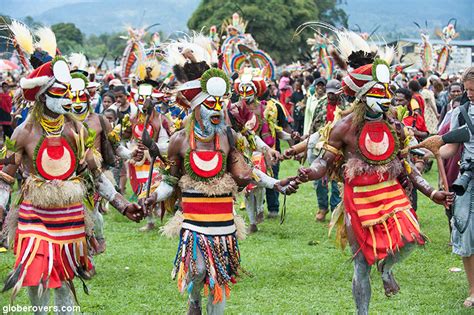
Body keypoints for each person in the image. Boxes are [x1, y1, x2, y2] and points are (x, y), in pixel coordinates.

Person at [291, 38, 453, 313]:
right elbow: (323, 161)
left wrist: (431, 192)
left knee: (411, 238)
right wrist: (309, 173)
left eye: (386, 93)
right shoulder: (344, 126)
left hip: (390, 192)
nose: (385, 99)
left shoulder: (395, 127)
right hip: (358, 197)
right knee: (361, 262)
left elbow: (408, 166)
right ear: (362, 96)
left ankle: (387, 268)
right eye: (378, 94)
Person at [144, 46, 297, 314]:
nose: (217, 109)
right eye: (209, 103)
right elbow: (170, 180)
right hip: (193, 219)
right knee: (198, 270)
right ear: (195, 106)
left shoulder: (227, 136)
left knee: (219, 278)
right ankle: (193, 301)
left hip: (223, 222)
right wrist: (154, 196)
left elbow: (247, 171)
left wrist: (275, 184)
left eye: (219, 103)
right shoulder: (179, 140)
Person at [0, 56, 143, 310]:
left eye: (69, 91)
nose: (68, 98)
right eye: (60, 91)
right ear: (43, 95)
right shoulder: (23, 132)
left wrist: (122, 204)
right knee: (37, 275)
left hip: (70, 218)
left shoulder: (79, 131)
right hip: (35, 215)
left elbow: (96, 175)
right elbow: (5, 177)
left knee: (65, 280)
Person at [440, 66, 474, 308]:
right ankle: (473, 289)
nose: (469, 93)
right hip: (467, 181)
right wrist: (430, 150)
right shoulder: (460, 113)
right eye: (467, 89)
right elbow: (450, 149)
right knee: (465, 234)